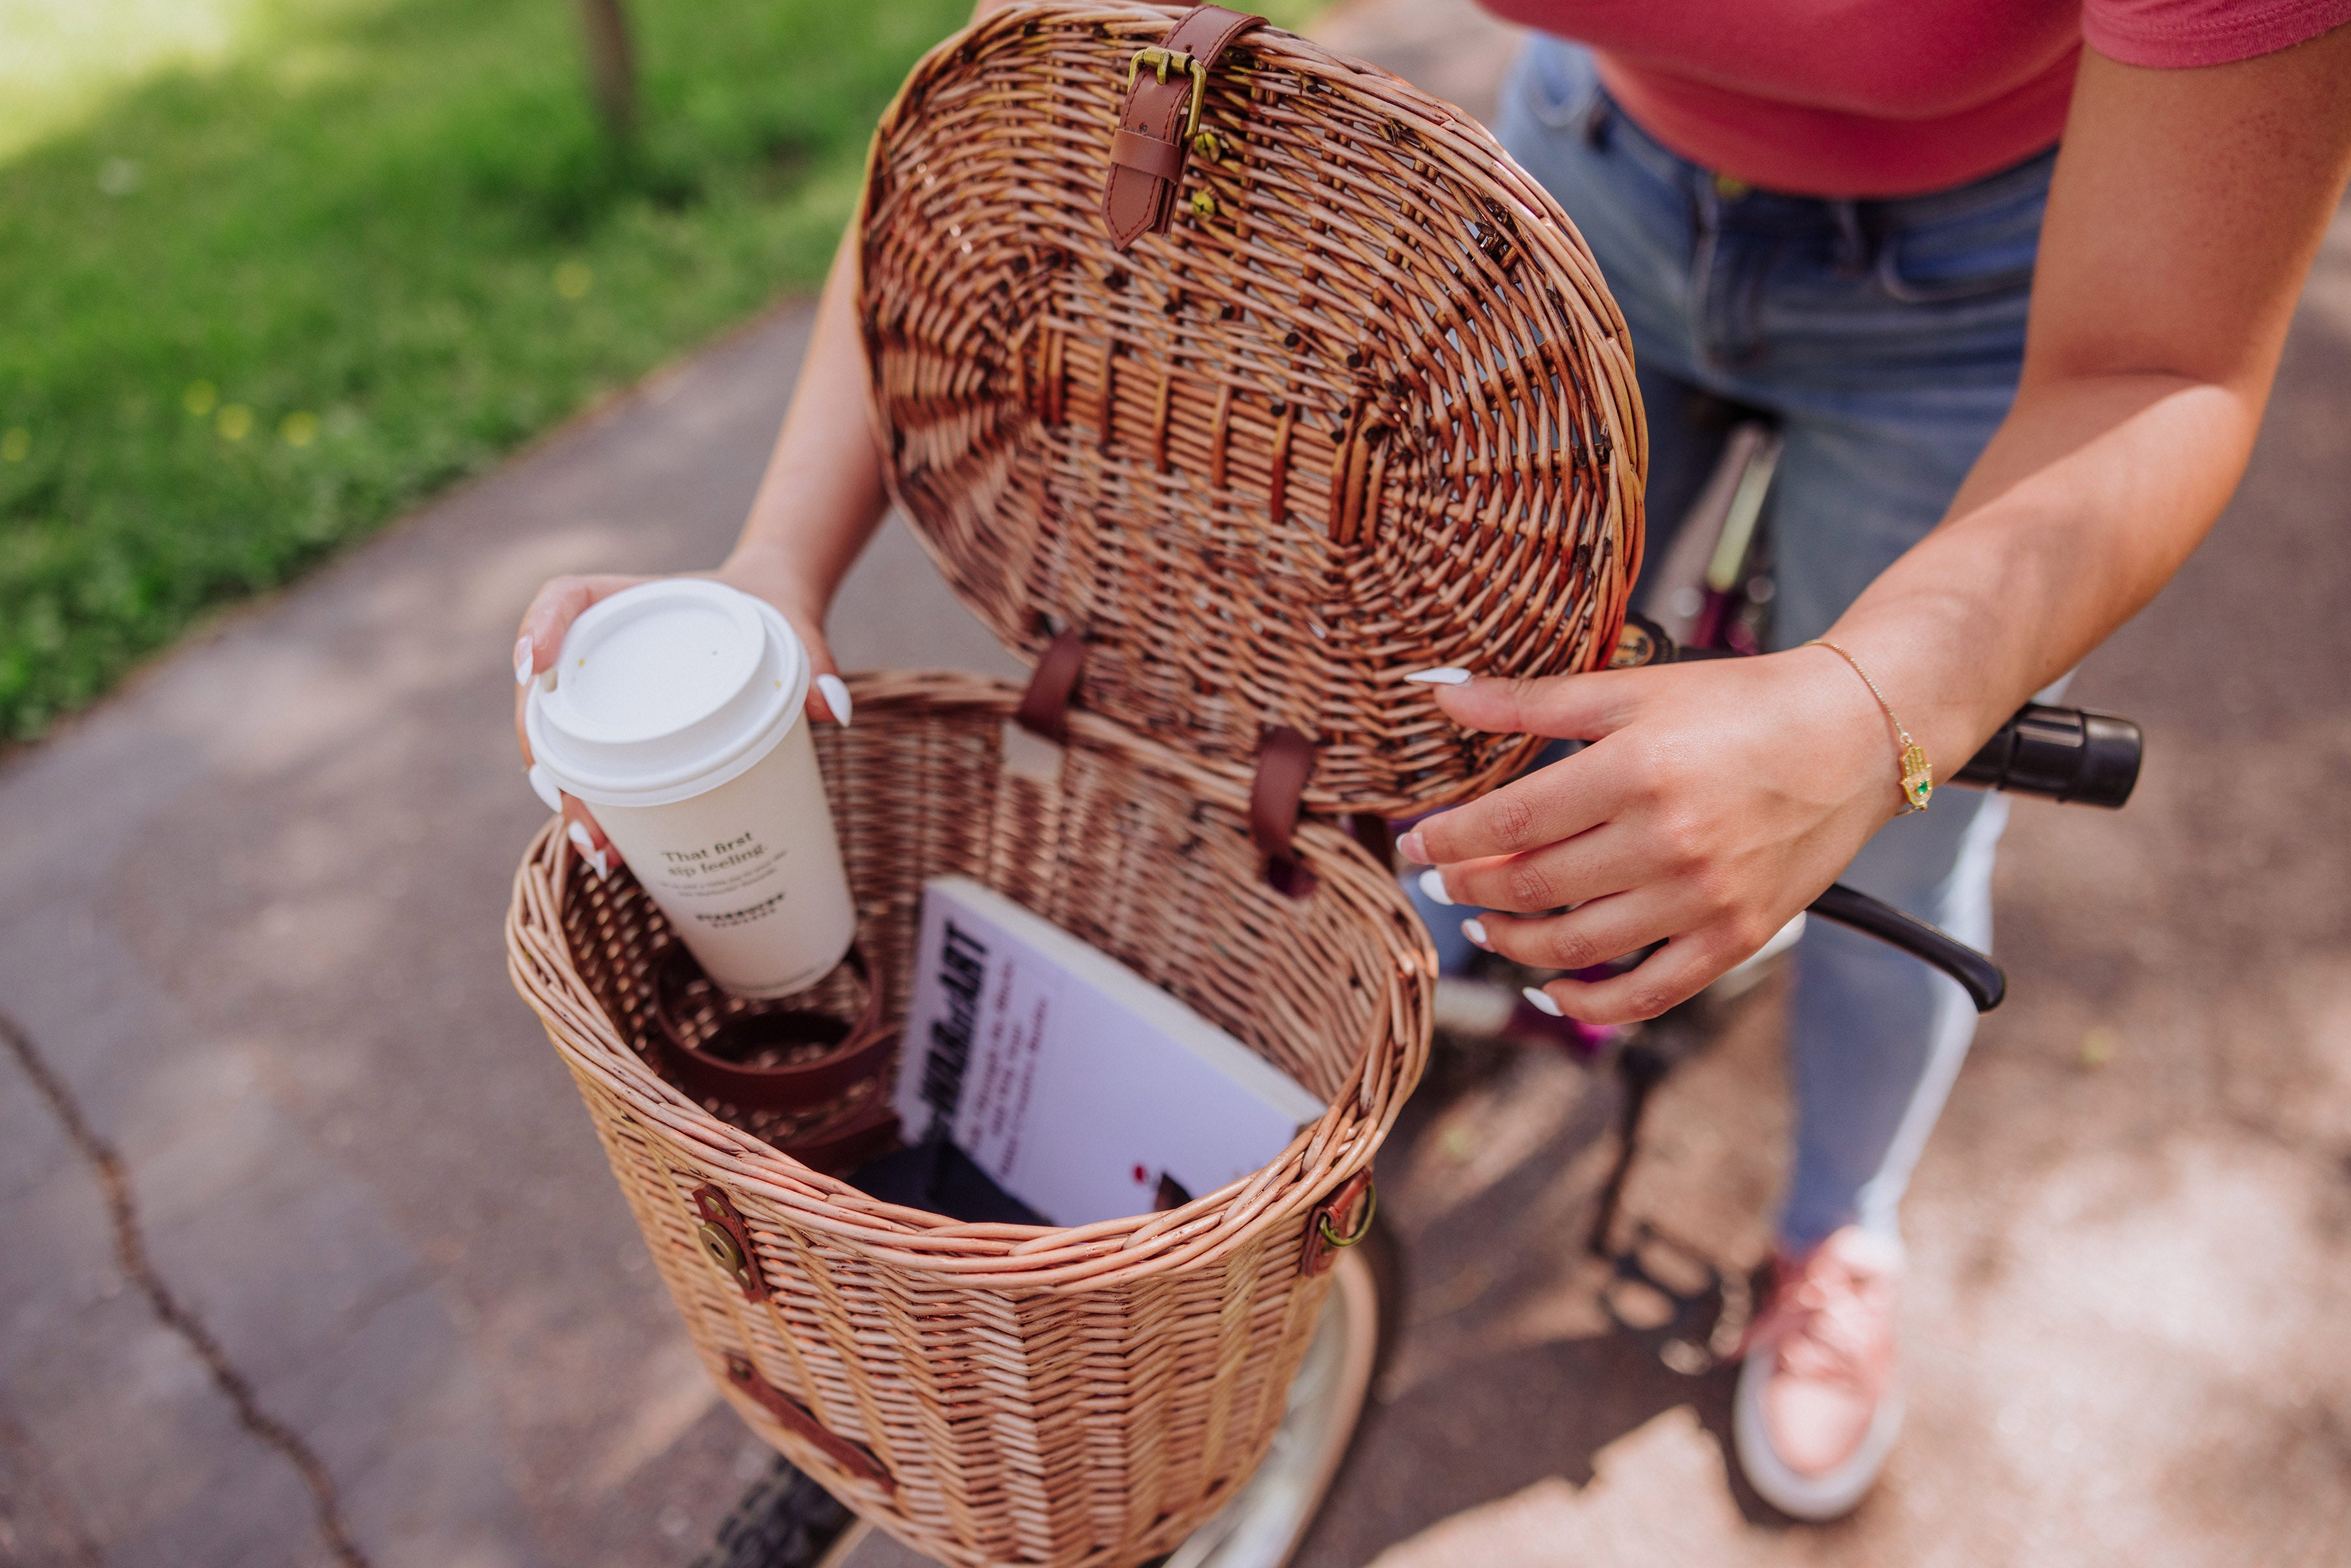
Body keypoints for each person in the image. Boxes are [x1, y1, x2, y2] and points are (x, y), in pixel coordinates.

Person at [514, 0, 2351, 1523]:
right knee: (1418, 739)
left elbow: (2158, 364)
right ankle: (1449, 976)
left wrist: (1877, 717)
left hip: (2003, 287)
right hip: (1569, 210)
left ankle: (1834, 1236)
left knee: (1899, 854)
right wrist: (774, 569)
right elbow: (1043, 105)